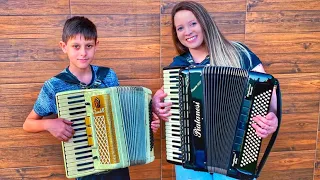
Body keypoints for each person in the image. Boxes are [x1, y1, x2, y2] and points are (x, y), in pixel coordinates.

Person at [152, 1, 278, 180]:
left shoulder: (239, 53)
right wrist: (157, 105)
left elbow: (270, 102)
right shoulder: (178, 68)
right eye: (180, 28)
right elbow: (163, 104)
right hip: (190, 158)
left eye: (193, 23)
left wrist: (272, 119)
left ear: (205, 23)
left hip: (237, 155)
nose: (187, 32)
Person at [23, 16, 160, 180]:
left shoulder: (108, 76)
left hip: (118, 163)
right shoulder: (55, 86)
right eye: (76, 46)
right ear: (63, 47)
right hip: (85, 166)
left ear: (96, 45)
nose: (83, 52)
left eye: (88, 46)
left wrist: (146, 125)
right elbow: (28, 124)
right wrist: (49, 124)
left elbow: (121, 113)